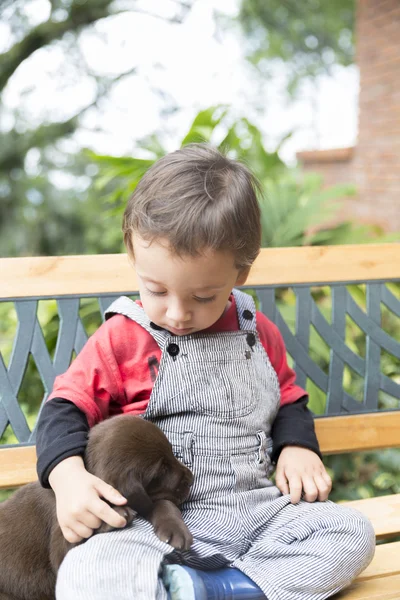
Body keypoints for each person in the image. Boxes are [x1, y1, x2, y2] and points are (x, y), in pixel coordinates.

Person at [36, 143, 375, 600]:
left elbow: (288, 398)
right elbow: (64, 407)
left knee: (351, 532)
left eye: (202, 297)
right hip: (159, 519)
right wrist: (68, 477)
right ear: (133, 255)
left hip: (261, 515)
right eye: (156, 290)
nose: (177, 314)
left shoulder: (259, 332)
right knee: (89, 575)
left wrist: (297, 446)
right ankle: (210, 586)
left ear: (241, 273)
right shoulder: (123, 340)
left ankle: (221, 589)